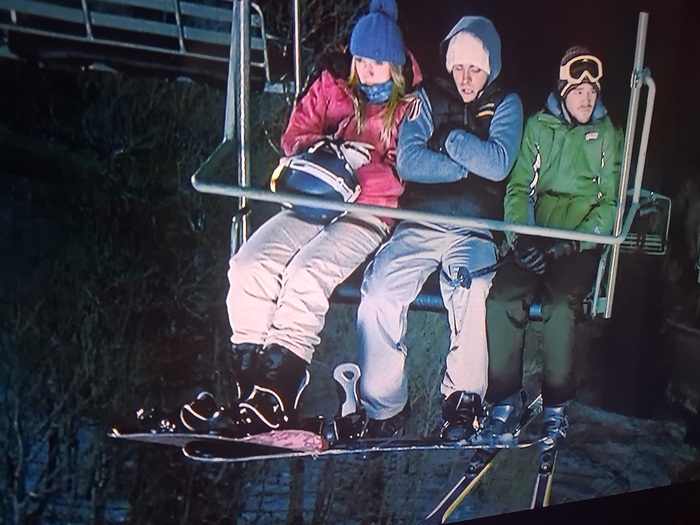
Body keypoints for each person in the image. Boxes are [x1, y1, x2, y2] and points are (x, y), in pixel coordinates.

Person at [176, 0, 423, 438]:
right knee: (250, 265)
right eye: (360, 60)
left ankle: (279, 390)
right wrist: (330, 153)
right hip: (313, 201)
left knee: (306, 274)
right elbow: (294, 137)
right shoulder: (332, 85)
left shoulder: (409, 108)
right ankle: (249, 388)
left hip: (367, 212)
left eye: (376, 63)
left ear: (395, 66)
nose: (366, 71)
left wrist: (358, 169)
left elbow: (403, 175)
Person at [356, 16, 523, 441]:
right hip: (421, 220)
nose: (466, 79)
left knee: (472, 288)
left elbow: (498, 163)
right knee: (379, 292)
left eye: (476, 70)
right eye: (459, 68)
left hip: (475, 224)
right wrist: (467, 167)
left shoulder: (507, 104)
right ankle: (384, 404)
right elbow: (410, 162)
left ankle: (462, 401)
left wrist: (448, 138)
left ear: (490, 69)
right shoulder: (427, 97)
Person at [484, 47, 623, 441]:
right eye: (578, 91)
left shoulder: (607, 136)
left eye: (592, 91)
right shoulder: (539, 127)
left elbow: (609, 203)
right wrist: (522, 238)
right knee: (502, 298)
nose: (587, 99)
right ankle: (504, 400)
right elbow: (519, 189)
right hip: (537, 235)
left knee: (561, 307)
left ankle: (556, 403)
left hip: (577, 242)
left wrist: (575, 244)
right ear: (563, 92)